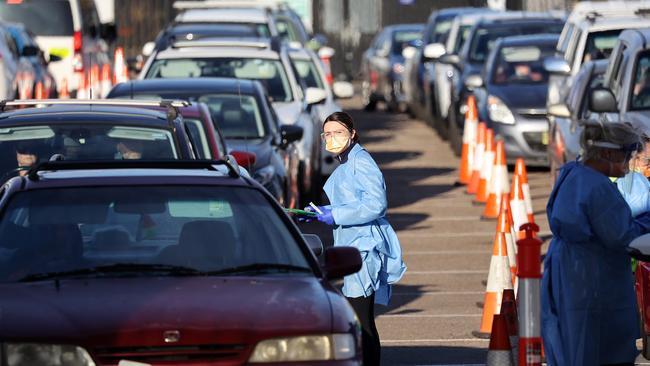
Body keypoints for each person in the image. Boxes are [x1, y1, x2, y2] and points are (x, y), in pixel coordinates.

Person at [542, 122, 650, 365]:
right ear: (608, 153)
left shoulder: (573, 173)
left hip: (569, 271)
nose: (629, 161)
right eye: (626, 154)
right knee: (597, 347)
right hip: (592, 277)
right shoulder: (598, 187)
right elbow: (623, 236)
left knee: (570, 342)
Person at [306, 111, 406, 366]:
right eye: (327, 134)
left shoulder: (360, 161)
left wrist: (335, 214)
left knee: (360, 320)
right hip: (353, 245)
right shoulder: (346, 161)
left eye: (338, 132)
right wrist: (322, 212)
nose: (332, 138)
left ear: (352, 133)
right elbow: (352, 200)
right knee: (360, 319)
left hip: (364, 248)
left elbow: (376, 204)